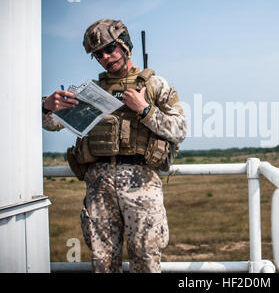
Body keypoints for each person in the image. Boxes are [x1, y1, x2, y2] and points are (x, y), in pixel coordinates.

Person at [42, 19, 187, 273]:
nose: (106, 57)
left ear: (124, 44)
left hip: (141, 186)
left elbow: (180, 130)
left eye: (110, 49)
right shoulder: (91, 92)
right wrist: (46, 106)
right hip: (99, 187)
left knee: (145, 261)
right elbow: (52, 124)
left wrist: (145, 110)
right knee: (103, 263)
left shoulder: (154, 86)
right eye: (98, 55)